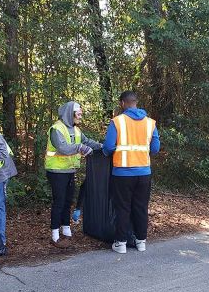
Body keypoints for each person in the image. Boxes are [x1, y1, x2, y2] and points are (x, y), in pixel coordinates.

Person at [102, 91, 160, 254]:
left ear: (122, 103)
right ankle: (141, 241)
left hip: (122, 173)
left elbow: (107, 147)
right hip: (143, 173)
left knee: (122, 208)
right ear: (135, 102)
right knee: (140, 207)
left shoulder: (117, 122)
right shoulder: (150, 123)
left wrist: (109, 154)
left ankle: (121, 243)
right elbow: (155, 148)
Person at [44, 101, 102, 247]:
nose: (80, 116)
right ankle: (55, 233)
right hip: (57, 171)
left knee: (68, 200)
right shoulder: (56, 129)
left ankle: (66, 228)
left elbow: (87, 141)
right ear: (70, 113)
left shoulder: (76, 130)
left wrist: (103, 146)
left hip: (70, 170)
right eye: (78, 114)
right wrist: (80, 147)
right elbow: (62, 148)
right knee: (59, 202)